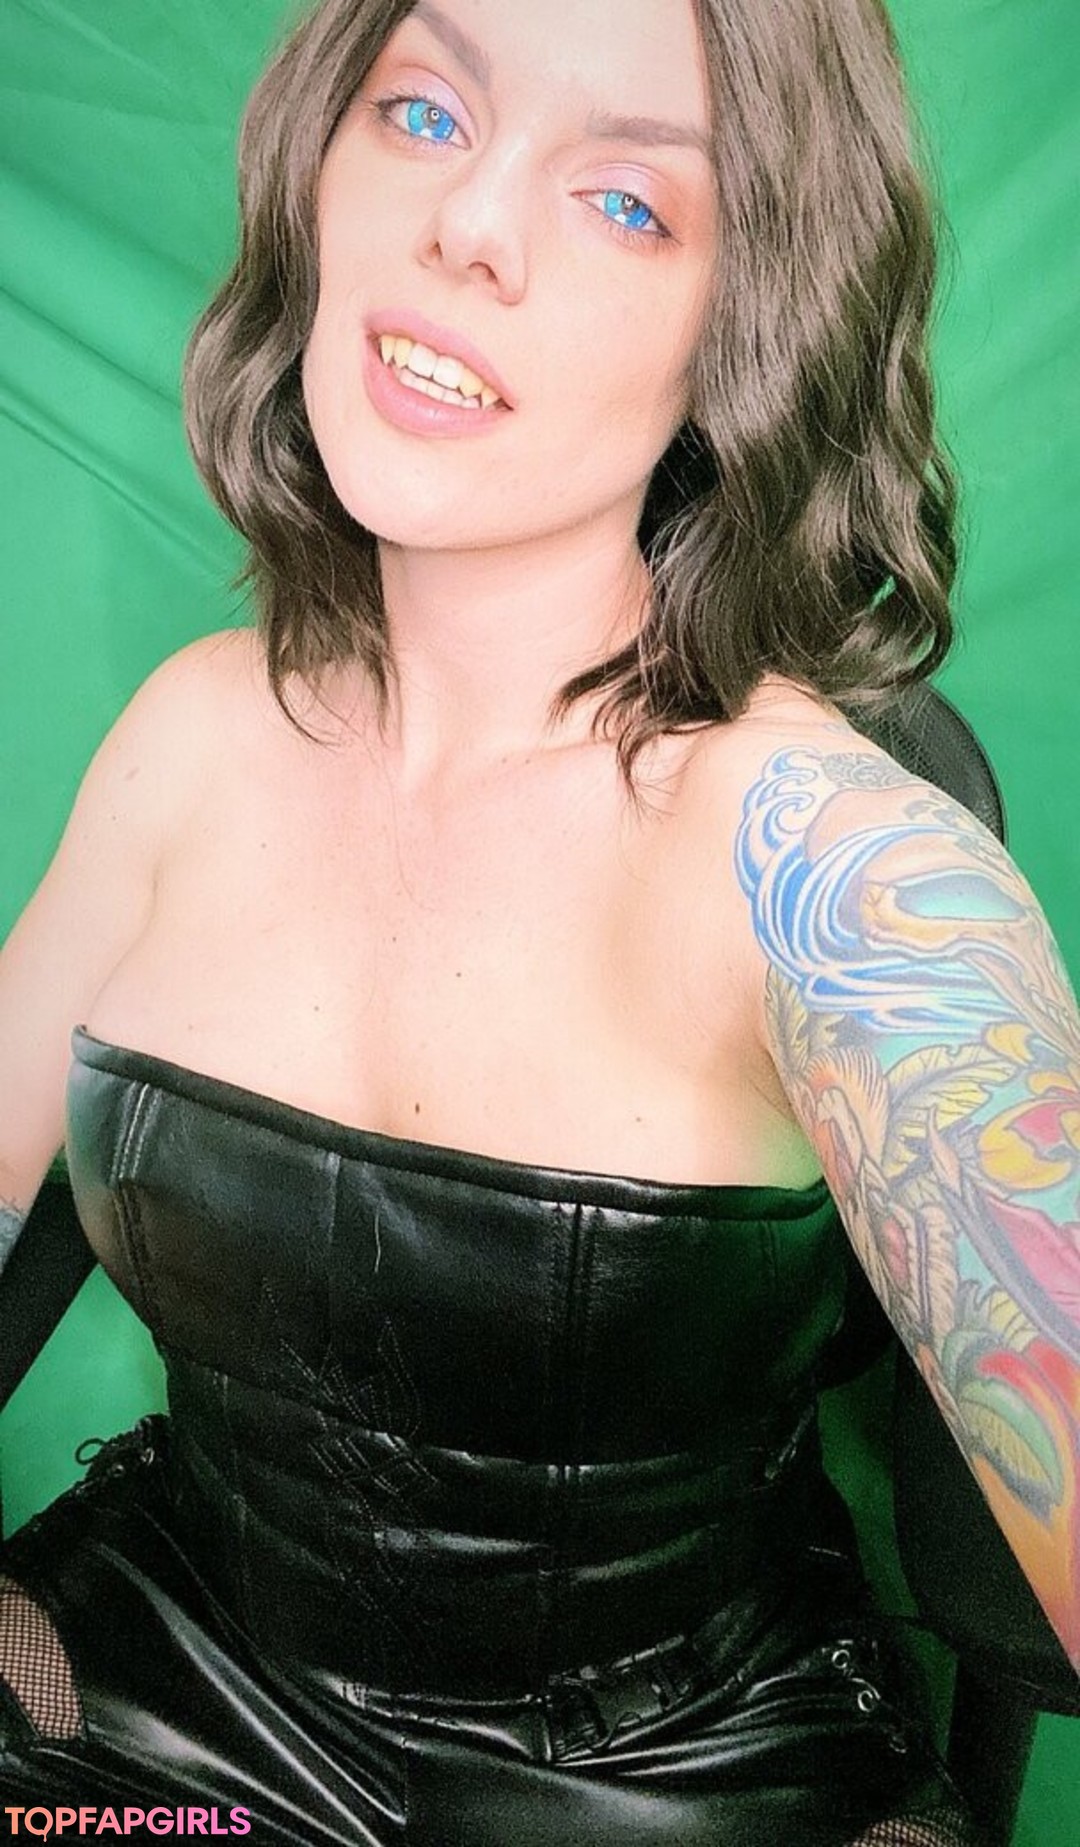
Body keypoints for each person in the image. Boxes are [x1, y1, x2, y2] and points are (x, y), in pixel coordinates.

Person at [0, 0, 1077, 1840]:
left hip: (681, 1783)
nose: (471, 226)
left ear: (743, 332)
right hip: (163, 1703)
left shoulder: (843, 875)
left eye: (628, 203)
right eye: (424, 112)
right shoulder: (187, 733)